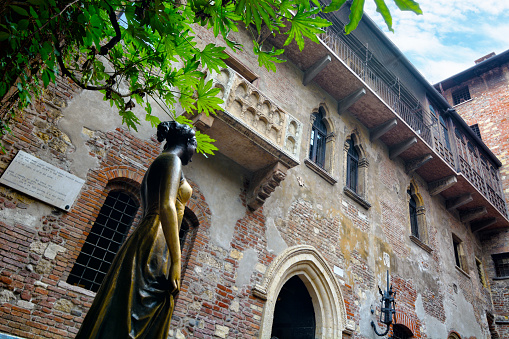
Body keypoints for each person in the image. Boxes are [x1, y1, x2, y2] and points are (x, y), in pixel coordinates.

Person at [76, 121, 196, 339]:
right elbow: (167, 206)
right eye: (195, 145)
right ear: (187, 142)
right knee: (136, 311)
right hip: (154, 240)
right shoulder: (171, 160)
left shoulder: (163, 161)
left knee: (134, 308)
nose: (195, 153)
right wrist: (177, 262)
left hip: (156, 240)